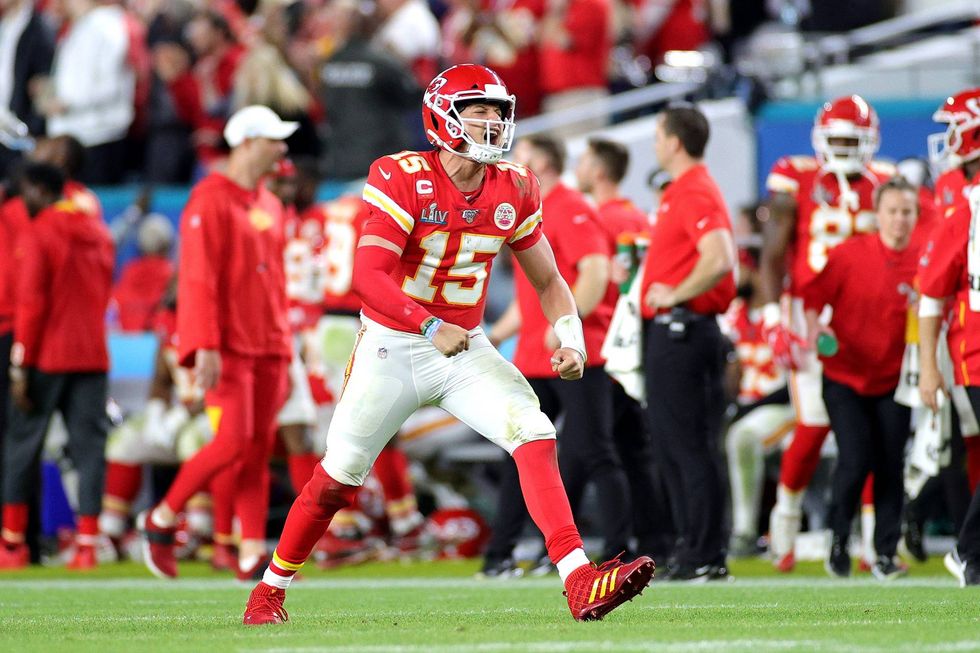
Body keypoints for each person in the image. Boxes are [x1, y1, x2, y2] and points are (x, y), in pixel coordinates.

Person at [242, 64, 654, 626]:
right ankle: (269, 588)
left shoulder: (516, 185)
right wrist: (429, 325)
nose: (492, 125)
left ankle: (579, 578)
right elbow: (368, 276)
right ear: (442, 117)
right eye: (478, 112)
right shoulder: (400, 175)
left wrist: (571, 337)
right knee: (337, 478)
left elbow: (551, 281)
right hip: (393, 344)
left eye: (497, 114)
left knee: (532, 431)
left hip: (464, 349)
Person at [140, 105, 296, 581]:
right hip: (227, 343)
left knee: (256, 447)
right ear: (247, 141)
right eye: (274, 139)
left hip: (267, 341)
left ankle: (251, 552)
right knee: (231, 443)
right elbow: (198, 278)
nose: (283, 148)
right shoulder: (209, 199)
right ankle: (162, 517)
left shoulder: (268, 202)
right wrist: (202, 344)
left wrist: (285, 345)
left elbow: (274, 281)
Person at [479, 134, 631, 576]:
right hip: (532, 355)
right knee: (523, 450)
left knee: (595, 453)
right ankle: (502, 554)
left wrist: (565, 328)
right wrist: (488, 335)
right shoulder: (532, 208)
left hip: (575, 355)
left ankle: (615, 551)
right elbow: (528, 298)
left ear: (542, 160)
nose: (508, 158)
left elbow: (596, 272)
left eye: (521, 153)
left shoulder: (569, 205)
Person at [761, 95, 894, 572]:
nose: (842, 148)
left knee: (877, 432)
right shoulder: (795, 176)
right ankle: (785, 521)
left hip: (871, 319)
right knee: (815, 424)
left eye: (850, 140)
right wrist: (773, 318)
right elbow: (774, 253)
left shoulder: (887, 182)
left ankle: (877, 539)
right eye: (835, 139)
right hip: (809, 316)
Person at [0, 161, 114, 570]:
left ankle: (13, 545)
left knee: (22, 444)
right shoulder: (99, 231)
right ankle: (87, 544)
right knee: (89, 450)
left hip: (49, 353)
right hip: (94, 353)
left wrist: (20, 364)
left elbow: (31, 302)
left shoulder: (40, 230)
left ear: (38, 189)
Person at [640, 103, 736, 581]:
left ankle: (704, 552)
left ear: (675, 141)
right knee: (675, 445)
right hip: (673, 331)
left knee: (689, 445)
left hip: (684, 329)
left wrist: (675, 293)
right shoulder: (684, 190)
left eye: (659, 135)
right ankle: (692, 547)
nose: (656, 144)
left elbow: (719, 258)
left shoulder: (694, 189)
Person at [805, 177, 919, 580]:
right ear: (877, 214)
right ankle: (837, 541)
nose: (899, 220)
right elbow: (812, 302)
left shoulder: (925, 259)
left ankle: (885, 553)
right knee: (854, 459)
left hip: (895, 379)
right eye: (892, 211)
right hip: (845, 376)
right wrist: (820, 330)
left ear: (916, 215)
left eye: (907, 212)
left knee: (891, 464)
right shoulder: (849, 254)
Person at [918, 88, 980, 587]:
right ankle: (966, 551)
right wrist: (930, 366)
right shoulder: (963, 206)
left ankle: (970, 553)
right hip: (974, 349)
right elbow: (932, 293)